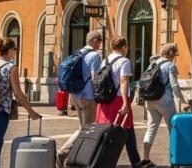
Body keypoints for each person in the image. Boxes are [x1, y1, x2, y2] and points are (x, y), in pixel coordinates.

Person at [0, 37, 41, 168]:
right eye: (15, 50)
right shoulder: (11, 67)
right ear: (10, 50)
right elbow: (18, 93)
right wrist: (31, 111)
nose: (15, 52)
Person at [56, 31, 103, 168]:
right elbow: (95, 78)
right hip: (88, 96)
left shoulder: (78, 53)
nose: (100, 43)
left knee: (83, 127)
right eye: (99, 40)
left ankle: (78, 156)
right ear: (94, 41)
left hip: (76, 95)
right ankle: (64, 152)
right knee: (86, 129)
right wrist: (98, 96)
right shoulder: (94, 56)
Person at [141, 43, 191, 167]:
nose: (175, 57)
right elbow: (174, 85)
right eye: (174, 54)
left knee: (151, 129)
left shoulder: (152, 64)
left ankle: (145, 158)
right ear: (170, 53)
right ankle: (176, 159)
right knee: (173, 129)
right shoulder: (170, 65)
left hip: (150, 100)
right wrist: (183, 100)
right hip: (165, 101)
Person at [96, 36, 142, 168]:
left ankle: (134, 161)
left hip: (105, 100)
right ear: (123, 47)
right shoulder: (124, 61)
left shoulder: (105, 60)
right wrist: (125, 102)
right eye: (126, 46)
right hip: (117, 99)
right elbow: (123, 81)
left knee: (110, 130)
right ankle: (134, 161)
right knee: (125, 129)